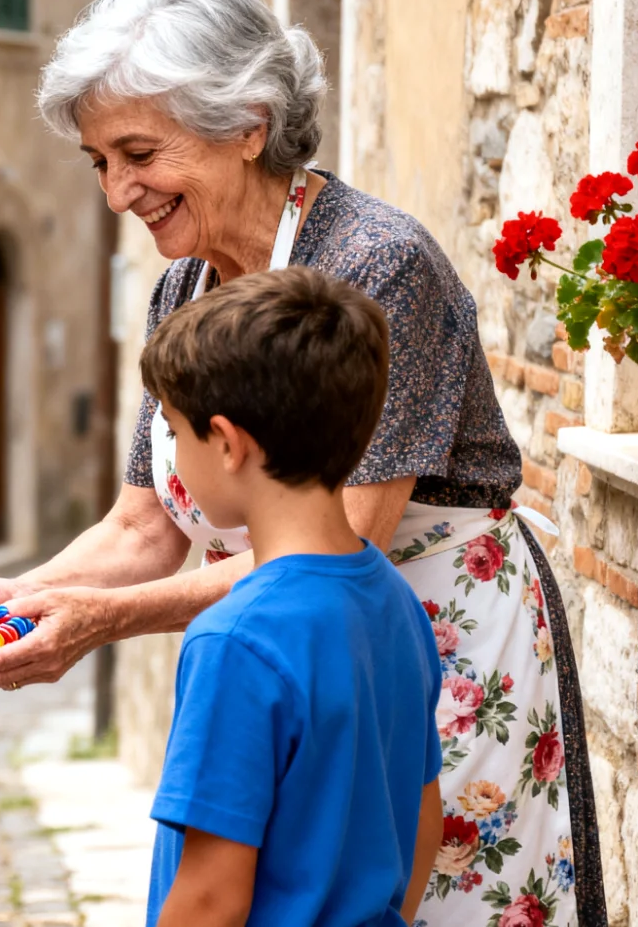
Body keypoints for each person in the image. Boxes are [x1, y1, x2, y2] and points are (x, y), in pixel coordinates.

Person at [0, 0, 605, 927]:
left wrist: (98, 621)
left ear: (247, 123)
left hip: (431, 647)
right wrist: (34, 598)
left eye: (138, 152)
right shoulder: (183, 288)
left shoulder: (376, 265)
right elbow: (144, 520)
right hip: (315, 651)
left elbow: (342, 535)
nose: (119, 192)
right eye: (98, 162)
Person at [138, 266, 440, 926]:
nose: (173, 453)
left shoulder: (234, 641)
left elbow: (211, 899)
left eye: (174, 429)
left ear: (226, 442)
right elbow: (424, 825)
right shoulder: (396, 602)